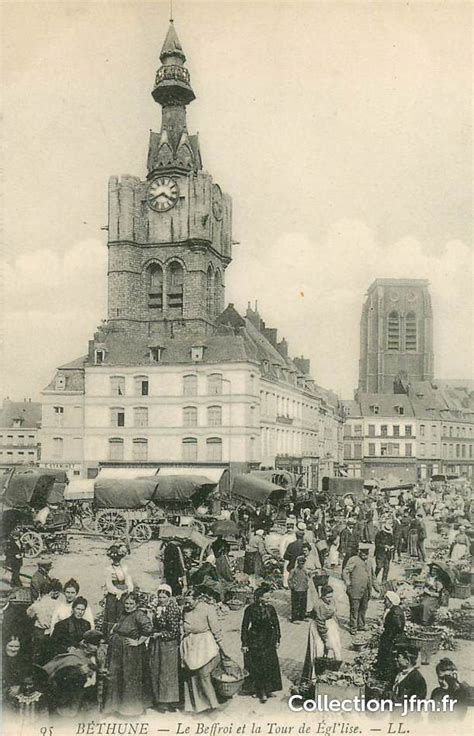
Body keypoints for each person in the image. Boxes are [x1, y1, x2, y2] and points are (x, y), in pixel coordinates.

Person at [180, 587, 228, 713]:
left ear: (197, 599)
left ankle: (213, 704)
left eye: (189, 601)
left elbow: (216, 629)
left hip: (204, 644)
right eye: (185, 601)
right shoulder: (185, 609)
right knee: (191, 676)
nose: (187, 604)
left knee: (204, 675)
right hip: (190, 644)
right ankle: (197, 706)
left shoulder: (208, 608)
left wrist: (223, 648)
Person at [104, 592, 153, 716]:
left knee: (129, 679)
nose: (128, 606)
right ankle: (118, 708)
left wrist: (138, 642)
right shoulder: (124, 614)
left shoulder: (139, 615)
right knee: (118, 677)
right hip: (119, 652)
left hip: (131, 653)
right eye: (126, 603)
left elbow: (148, 629)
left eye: (131, 603)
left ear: (136, 604)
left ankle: (131, 710)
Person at [43, 630, 103, 716]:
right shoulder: (71, 658)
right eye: (94, 644)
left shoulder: (93, 657)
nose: (96, 648)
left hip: (87, 701)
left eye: (98, 645)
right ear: (85, 643)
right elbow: (59, 680)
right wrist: (79, 672)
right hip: (70, 703)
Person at [241, 585, 282, 703]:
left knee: (269, 664)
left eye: (269, 597)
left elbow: (276, 624)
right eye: (266, 597)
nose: (269, 599)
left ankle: (269, 689)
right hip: (255, 640)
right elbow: (244, 627)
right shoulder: (250, 609)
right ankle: (259, 691)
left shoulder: (271, 609)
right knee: (257, 666)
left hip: (269, 639)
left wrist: (278, 639)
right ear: (259, 598)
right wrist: (244, 643)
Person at [149, 584, 181, 712]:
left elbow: (174, 632)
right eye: (160, 597)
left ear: (169, 597)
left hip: (169, 644)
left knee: (167, 672)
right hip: (158, 643)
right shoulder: (159, 607)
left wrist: (159, 634)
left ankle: (169, 701)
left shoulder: (172, 609)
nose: (161, 599)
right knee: (157, 669)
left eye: (164, 597)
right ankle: (159, 700)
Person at [302, 584, 342, 685]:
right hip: (318, 628)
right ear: (322, 595)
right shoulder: (319, 605)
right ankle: (315, 677)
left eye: (331, 596)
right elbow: (320, 624)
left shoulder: (331, 601)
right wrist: (325, 639)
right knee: (318, 650)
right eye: (327, 597)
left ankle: (331, 673)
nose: (330, 599)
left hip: (330, 625)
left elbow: (334, 613)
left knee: (335, 648)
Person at [342, 544, 377, 635]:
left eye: (367, 553)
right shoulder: (353, 560)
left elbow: (373, 576)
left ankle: (361, 625)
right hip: (355, 588)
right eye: (363, 552)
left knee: (364, 607)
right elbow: (345, 571)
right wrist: (347, 582)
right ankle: (353, 627)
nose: (365, 554)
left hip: (366, 589)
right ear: (359, 552)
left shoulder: (369, 562)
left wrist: (376, 587)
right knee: (355, 608)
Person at [26, 579, 63, 664]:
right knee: (49, 654)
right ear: (50, 592)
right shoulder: (57, 604)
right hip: (51, 631)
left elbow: (29, 615)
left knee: (37, 653)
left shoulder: (36, 605)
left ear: (40, 592)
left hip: (39, 631)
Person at [103, 543, 133, 638]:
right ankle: (110, 636)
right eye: (114, 559)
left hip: (124, 594)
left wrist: (128, 589)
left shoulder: (124, 568)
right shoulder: (108, 569)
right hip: (113, 595)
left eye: (118, 559)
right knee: (111, 615)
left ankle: (122, 633)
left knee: (123, 614)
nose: (116, 561)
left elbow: (128, 579)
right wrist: (116, 592)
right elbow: (108, 584)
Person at [376, 591, 406, 684]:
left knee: (387, 657)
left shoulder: (395, 613)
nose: (384, 602)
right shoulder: (394, 610)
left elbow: (397, 627)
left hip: (392, 638)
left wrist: (388, 638)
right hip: (391, 637)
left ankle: (385, 677)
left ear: (391, 601)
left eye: (386, 600)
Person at [288, 555, 310, 623]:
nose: (302, 565)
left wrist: (306, 585)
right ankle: (294, 618)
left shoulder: (305, 570)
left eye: (303, 563)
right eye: (300, 563)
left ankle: (302, 617)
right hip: (296, 590)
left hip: (303, 589)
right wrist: (292, 586)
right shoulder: (294, 570)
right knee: (295, 604)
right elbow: (289, 579)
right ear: (298, 563)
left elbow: (307, 578)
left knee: (303, 604)